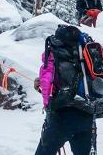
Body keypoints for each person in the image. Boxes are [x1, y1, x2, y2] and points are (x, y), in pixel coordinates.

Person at [33, 25, 94, 155]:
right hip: (87, 115)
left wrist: (46, 102)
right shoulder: (84, 54)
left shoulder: (54, 54)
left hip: (62, 116)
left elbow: (46, 84)